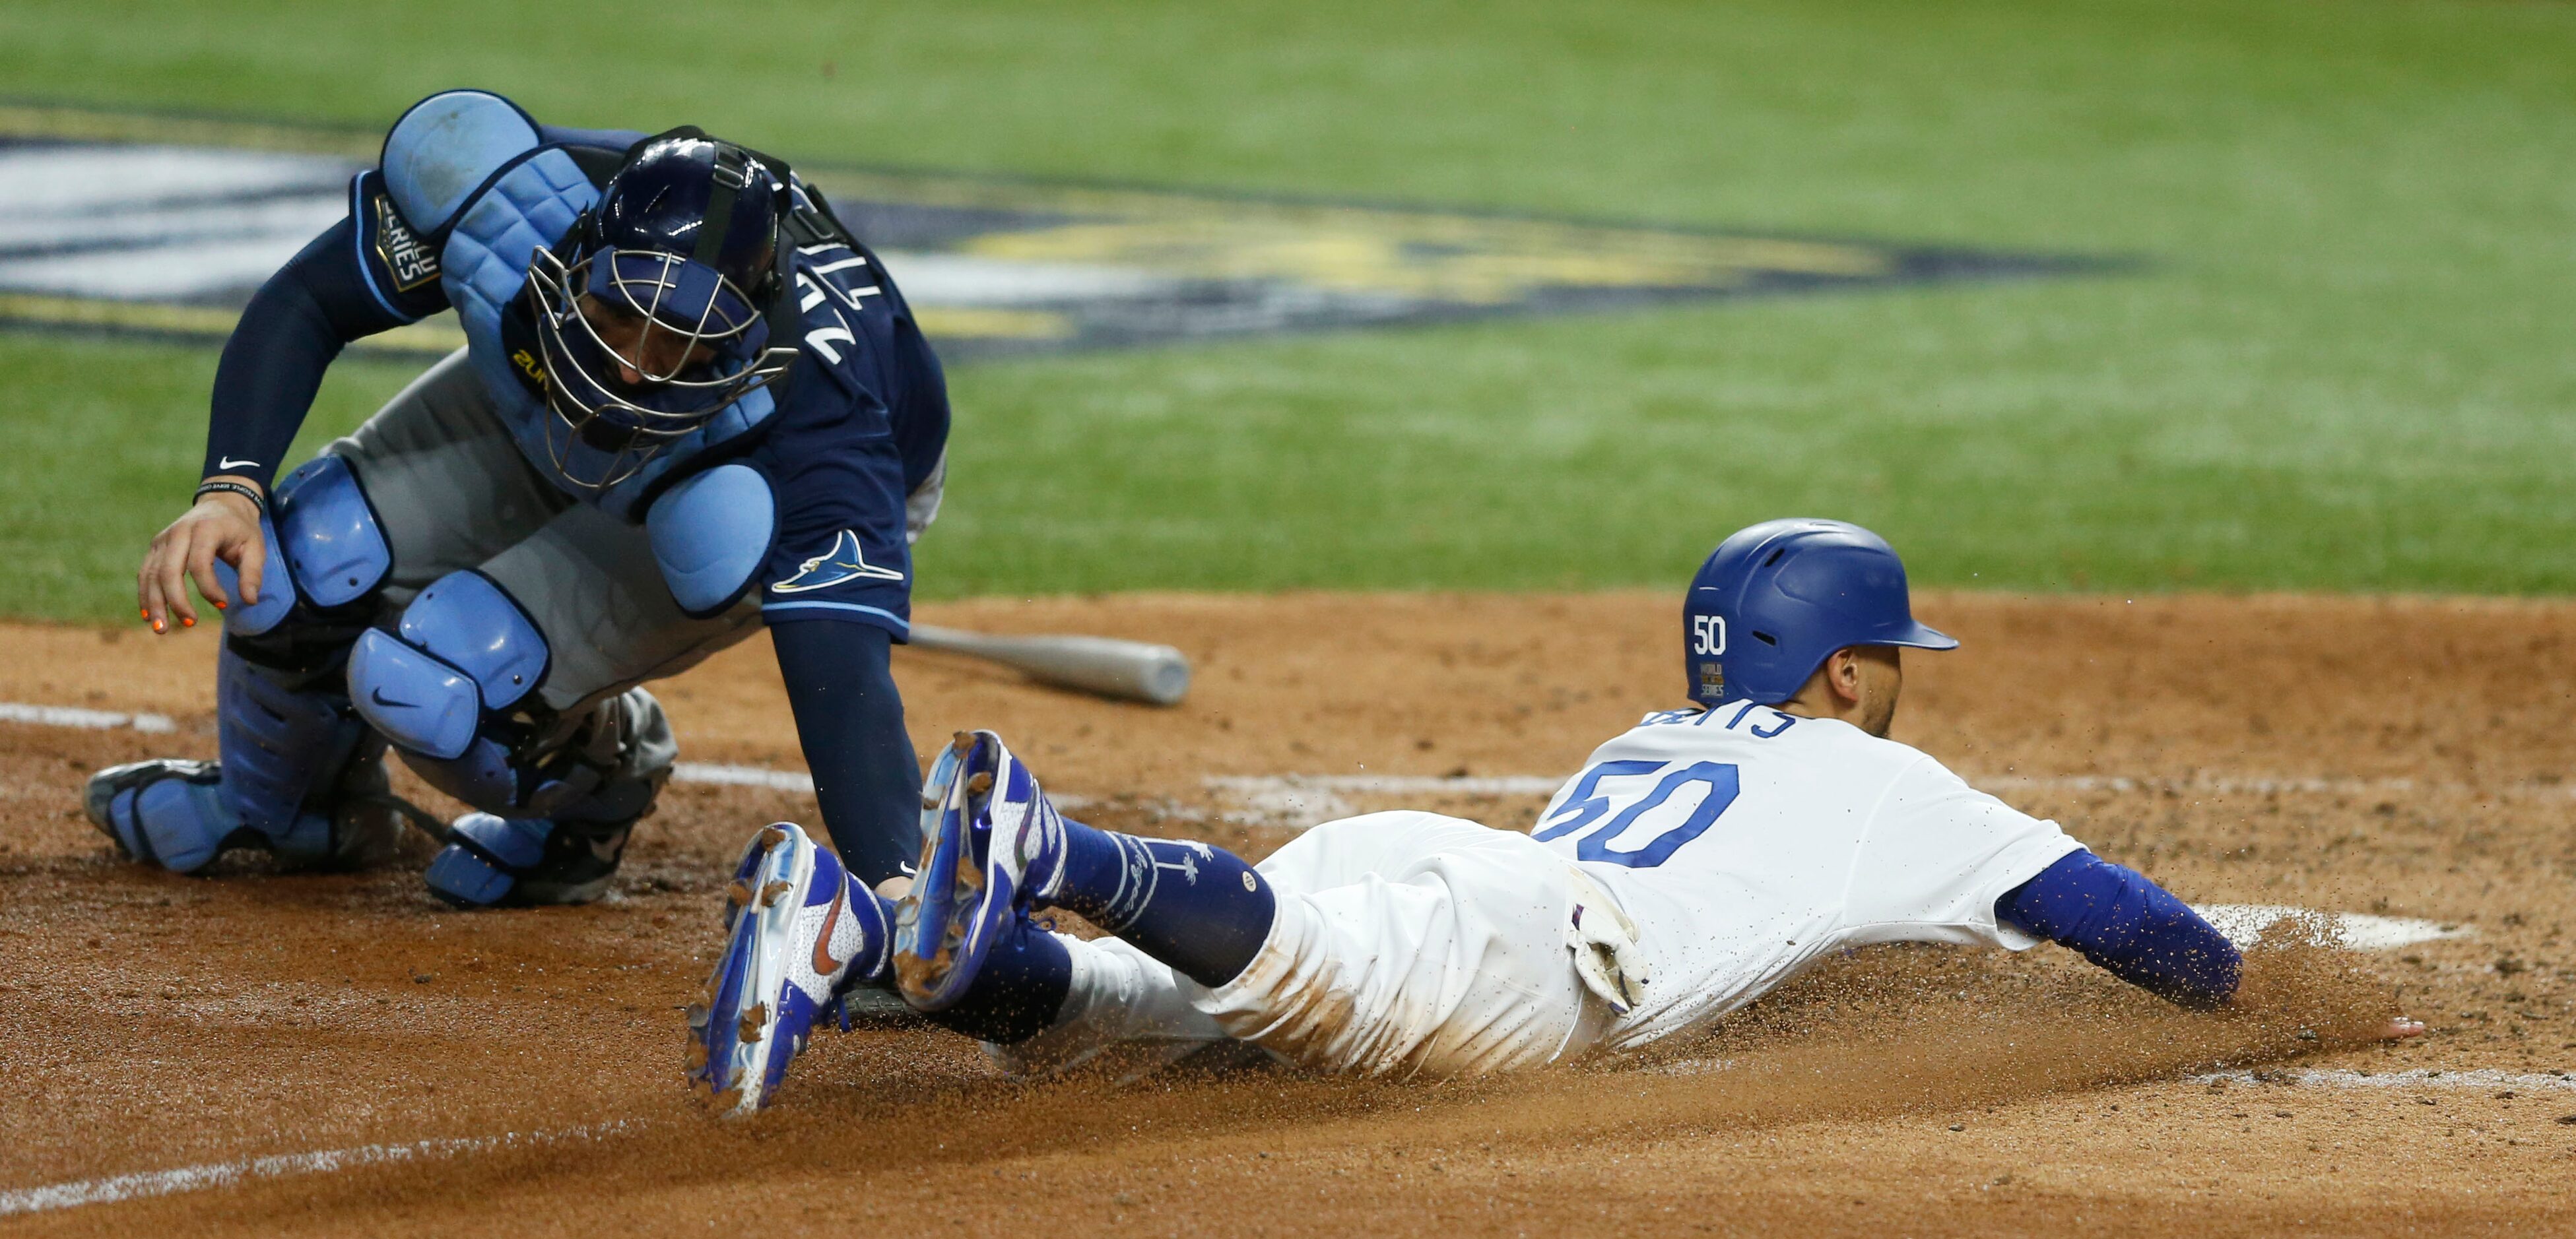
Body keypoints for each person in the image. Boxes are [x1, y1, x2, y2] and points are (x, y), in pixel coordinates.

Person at [688, 519, 2420, 1110]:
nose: (1903, 679)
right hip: (1529, 953)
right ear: (1837, 672)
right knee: (1300, 984)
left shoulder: (1651, 730)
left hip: (1433, 868)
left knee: (1129, 1027)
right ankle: (1047, 849)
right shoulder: (1882, 776)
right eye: (1888, 653)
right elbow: (2108, 914)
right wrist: (2266, 999)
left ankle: (861, 934)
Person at [86, 90, 943, 908]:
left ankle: (604, 779)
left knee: (437, 682)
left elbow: (843, 687)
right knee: (300, 559)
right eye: (616, 312)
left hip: (712, 476)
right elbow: (310, 302)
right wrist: (229, 492)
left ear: (738, 335)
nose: (634, 367)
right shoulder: (518, 204)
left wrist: (897, 888)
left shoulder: (821, 430)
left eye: (679, 337)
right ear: (578, 256)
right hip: (547, 401)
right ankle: (295, 813)